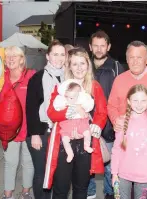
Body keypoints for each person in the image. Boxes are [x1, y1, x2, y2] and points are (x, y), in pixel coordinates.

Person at [44, 47, 108, 199]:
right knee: (61, 187)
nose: (79, 68)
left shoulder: (95, 86)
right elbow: (51, 112)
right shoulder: (61, 87)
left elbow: (102, 111)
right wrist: (67, 113)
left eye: (82, 63)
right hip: (64, 142)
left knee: (81, 187)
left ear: (88, 65)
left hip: (85, 142)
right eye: (75, 64)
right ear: (69, 66)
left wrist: (96, 125)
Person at [88, 30, 126, 199]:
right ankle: (89, 193)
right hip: (86, 125)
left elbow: (122, 97)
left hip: (109, 127)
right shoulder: (83, 65)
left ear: (108, 46)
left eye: (102, 45)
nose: (98, 49)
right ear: (90, 46)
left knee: (111, 166)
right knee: (87, 164)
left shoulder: (117, 67)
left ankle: (109, 194)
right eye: (95, 45)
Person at [26, 39, 66, 199]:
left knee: (59, 176)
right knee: (42, 174)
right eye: (55, 54)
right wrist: (35, 134)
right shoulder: (37, 78)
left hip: (62, 133)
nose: (59, 58)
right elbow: (31, 108)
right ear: (48, 56)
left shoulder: (68, 78)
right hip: (42, 133)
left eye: (62, 54)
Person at [0, 46, 35, 199]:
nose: (11, 59)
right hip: (8, 130)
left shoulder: (31, 76)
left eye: (15, 56)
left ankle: (26, 193)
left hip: (28, 127)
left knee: (28, 162)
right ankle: (8, 194)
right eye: (8, 56)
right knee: (10, 162)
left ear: (22, 59)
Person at [111, 84, 147, 199]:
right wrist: (114, 174)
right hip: (123, 175)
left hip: (144, 177)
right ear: (129, 101)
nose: (139, 105)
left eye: (143, 100)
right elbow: (116, 150)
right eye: (135, 100)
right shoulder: (122, 121)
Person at [108, 41, 147, 133]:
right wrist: (116, 121)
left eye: (139, 57)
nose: (135, 62)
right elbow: (111, 106)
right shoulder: (119, 80)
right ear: (127, 60)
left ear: (146, 60)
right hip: (124, 135)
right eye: (132, 57)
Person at [53, 79, 94, 163]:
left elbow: (89, 105)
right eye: (68, 96)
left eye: (73, 97)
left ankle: (87, 145)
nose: (70, 99)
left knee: (87, 132)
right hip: (67, 125)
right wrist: (63, 107)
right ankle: (69, 153)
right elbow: (55, 108)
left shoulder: (83, 99)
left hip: (80, 123)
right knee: (65, 139)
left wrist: (81, 108)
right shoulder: (62, 99)